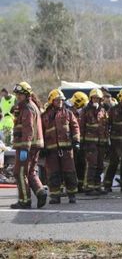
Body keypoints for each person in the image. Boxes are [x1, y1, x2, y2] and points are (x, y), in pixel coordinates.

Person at [10, 81, 47, 209]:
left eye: (20, 94)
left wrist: (25, 147)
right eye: (17, 94)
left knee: (19, 173)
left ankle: (24, 200)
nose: (18, 96)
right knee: (30, 172)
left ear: (27, 95)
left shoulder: (27, 108)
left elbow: (28, 128)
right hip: (33, 145)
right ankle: (40, 192)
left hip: (26, 146)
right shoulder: (29, 106)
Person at [41, 89, 80, 204]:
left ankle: (72, 195)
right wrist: (42, 147)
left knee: (70, 172)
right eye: (57, 100)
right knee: (53, 173)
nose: (60, 102)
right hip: (51, 150)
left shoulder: (68, 113)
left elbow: (75, 127)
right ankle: (55, 196)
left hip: (67, 149)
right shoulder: (45, 116)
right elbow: (41, 131)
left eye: (61, 100)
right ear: (52, 101)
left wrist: (76, 141)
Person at [80, 88, 108, 195]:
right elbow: (81, 127)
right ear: (91, 98)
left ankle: (97, 186)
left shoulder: (103, 111)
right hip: (90, 143)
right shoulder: (85, 111)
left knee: (100, 165)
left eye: (98, 98)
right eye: (94, 98)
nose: (96, 100)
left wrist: (106, 140)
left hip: (101, 143)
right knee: (92, 164)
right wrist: (81, 142)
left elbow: (105, 127)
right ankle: (88, 187)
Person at [68, 91, 89, 192]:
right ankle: (73, 186)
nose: (72, 104)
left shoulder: (86, 113)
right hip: (73, 142)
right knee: (73, 165)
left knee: (82, 165)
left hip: (84, 143)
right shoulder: (70, 112)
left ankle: (80, 186)